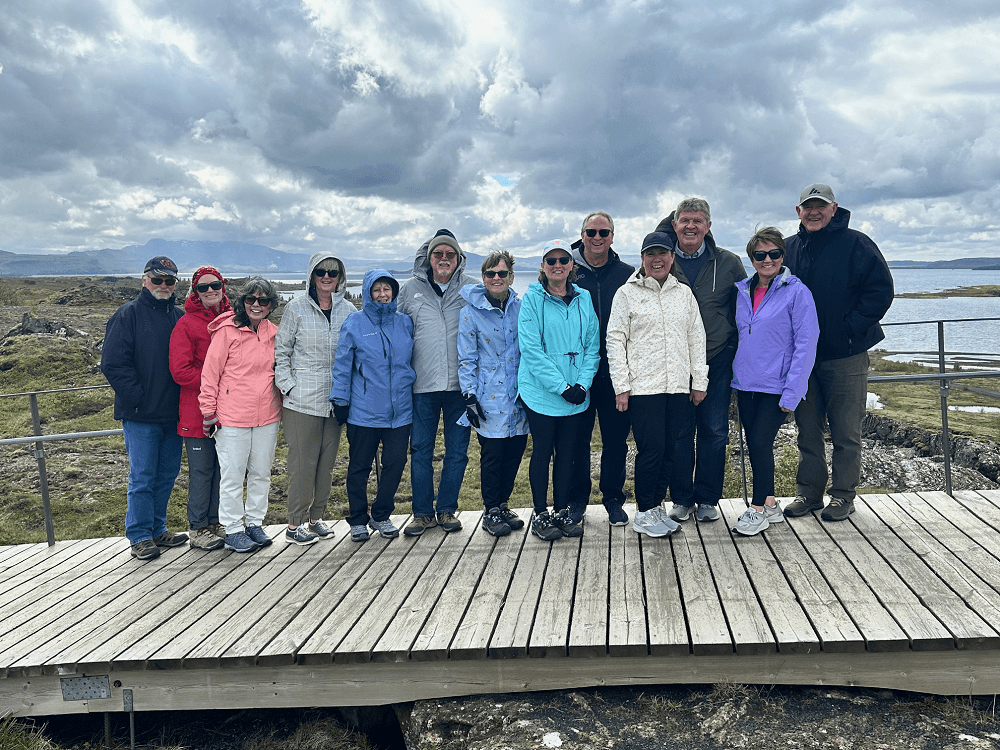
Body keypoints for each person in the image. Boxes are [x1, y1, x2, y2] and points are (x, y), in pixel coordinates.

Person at [782, 184, 894, 521]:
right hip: (802, 359)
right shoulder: (786, 249)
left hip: (845, 355)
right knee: (808, 430)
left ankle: (843, 496)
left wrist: (848, 328)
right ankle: (809, 494)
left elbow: (880, 292)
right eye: (807, 207)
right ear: (798, 211)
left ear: (834, 209)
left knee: (846, 431)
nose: (813, 212)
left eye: (821, 206)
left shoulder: (857, 244)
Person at [606, 232, 707, 537]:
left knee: (670, 452)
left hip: (677, 386)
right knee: (651, 450)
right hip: (643, 388)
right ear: (642, 259)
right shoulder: (627, 294)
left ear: (672, 257)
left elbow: (696, 338)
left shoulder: (684, 295)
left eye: (663, 253)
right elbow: (615, 340)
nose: (657, 259)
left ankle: (655, 507)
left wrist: (698, 380)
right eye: (650, 254)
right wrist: (621, 386)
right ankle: (644, 511)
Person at [654, 198, 747, 523]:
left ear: (708, 226)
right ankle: (681, 499)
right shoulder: (660, 261)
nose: (691, 226)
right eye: (684, 221)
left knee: (714, 430)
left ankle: (708, 499)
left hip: (716, 361)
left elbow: (744, 313)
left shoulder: (729, 263)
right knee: (679, 433)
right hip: (674, 363)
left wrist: (735, 353)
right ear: (675, 224)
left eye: (697, 221)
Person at [730, 228, 819, 536]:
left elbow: (806, 344)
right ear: (751, 258)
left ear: (783, 256)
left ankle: (756, 510)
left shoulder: (797, 292)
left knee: (759, 442)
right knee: (757, 447)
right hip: (745, 383)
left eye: (774, 254)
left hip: (776, 386)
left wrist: (792, 391)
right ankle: (770, 504)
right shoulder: (742, 290)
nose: (767, 260)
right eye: (760, 255)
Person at [101, 256, 188, 561]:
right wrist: (137, 397)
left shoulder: (179, 317)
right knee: (142, 476)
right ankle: (139, 535)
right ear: (144, 279)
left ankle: (156, 527)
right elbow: (112, 363)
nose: (164, 286)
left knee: (166, 474)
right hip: (140, 416)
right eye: (158, 279)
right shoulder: (127, 315)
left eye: (169, 281)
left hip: (172, 414)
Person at [517, 240, 600, 541]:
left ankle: (562, 511)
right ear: (542, 266)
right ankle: (540, 514)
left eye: (563, 259)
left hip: (576, 392)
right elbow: (531, 349)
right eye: (550, 260)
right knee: (542, 451)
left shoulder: (584, 298)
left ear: (571, 265)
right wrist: (561, 386)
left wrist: (582, 383)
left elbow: (592, 345)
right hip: (541, 393)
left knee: (567, 454)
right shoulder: (533, 299)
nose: (557, 265)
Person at [397, 229, 478, 537]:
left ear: (459, 259)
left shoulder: (471, 290)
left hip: (461, 387)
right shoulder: (409, 290)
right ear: (428, 258)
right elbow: (395, 330)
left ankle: (446, 509)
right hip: (422, 386)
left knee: (458, 451)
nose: (444, 259)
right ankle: (421, 513)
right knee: (420, 450)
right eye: (438, 254)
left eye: (450, 254)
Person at [275, 253, 356, 546]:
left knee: (326, 463)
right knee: (301, 464)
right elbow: (281, 352)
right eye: (321, 271)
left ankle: (316, 518)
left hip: (334, 401)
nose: (326, 276)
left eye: (333, 272)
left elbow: (352, 354)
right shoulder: (295, 308)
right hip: (302, 401)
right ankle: (295, 524)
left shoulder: (347, 310)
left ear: (340, 276)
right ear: (312, 274)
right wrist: (289, 387)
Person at [330, 270, 416, 543]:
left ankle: (381, 515)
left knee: (396, 462)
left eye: (387, 289)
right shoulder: (354, 323)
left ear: (394, 292)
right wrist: (340, 400)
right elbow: (343, 364)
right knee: (359, 466)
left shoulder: (404, 323)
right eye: (377, 289)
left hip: (400, 410)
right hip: (363, 411)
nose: (382, 294)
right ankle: (357, 519)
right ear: (368, 292)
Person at [199, 277, 282, 553]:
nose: (256, 305)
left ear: (271, 305)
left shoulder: (274, 332)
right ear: (242, 302)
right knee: (233, 475)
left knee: (261, 473)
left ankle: (255, 523)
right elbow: (210, 374)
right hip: (232, 417)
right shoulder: (227, 332)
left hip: (267, 415)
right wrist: (208, 412)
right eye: (251, 300)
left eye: (263, 300)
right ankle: (233, 528)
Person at [569, 211, 635, 526]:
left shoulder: (628, 274)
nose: (597, 238)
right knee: (577, 440)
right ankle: (577, 500)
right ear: (582, 235)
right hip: (577, 371)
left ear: (612, 235)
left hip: (616, 371)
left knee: (615, 440)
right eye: (591, 232)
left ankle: (613, 499)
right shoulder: (566, 271)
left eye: (603, 232)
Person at [457, 250, 529, 537]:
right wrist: (469, 396)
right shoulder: (469, 313)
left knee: (515, 452)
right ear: (483, 277)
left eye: (502, 273)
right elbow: (467, 358)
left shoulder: (522, 308)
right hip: (488, 395)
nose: (496, 278)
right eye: (491, 274)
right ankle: (491, 510)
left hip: (519, 394)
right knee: (492, 454)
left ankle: (503, 503)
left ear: (511, 277)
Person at [169, 266, 232, 551]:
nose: (210, 291)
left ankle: (215, 522)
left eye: (214, 285)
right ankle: (197, 528)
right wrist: (215, 381)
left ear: (223, 286)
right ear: (195, 291)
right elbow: (180, 371)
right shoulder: (186, 324)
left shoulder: (232, 320)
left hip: (229, 410)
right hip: (196, 413)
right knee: (202, 471)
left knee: (222, 470)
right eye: (203, 287)